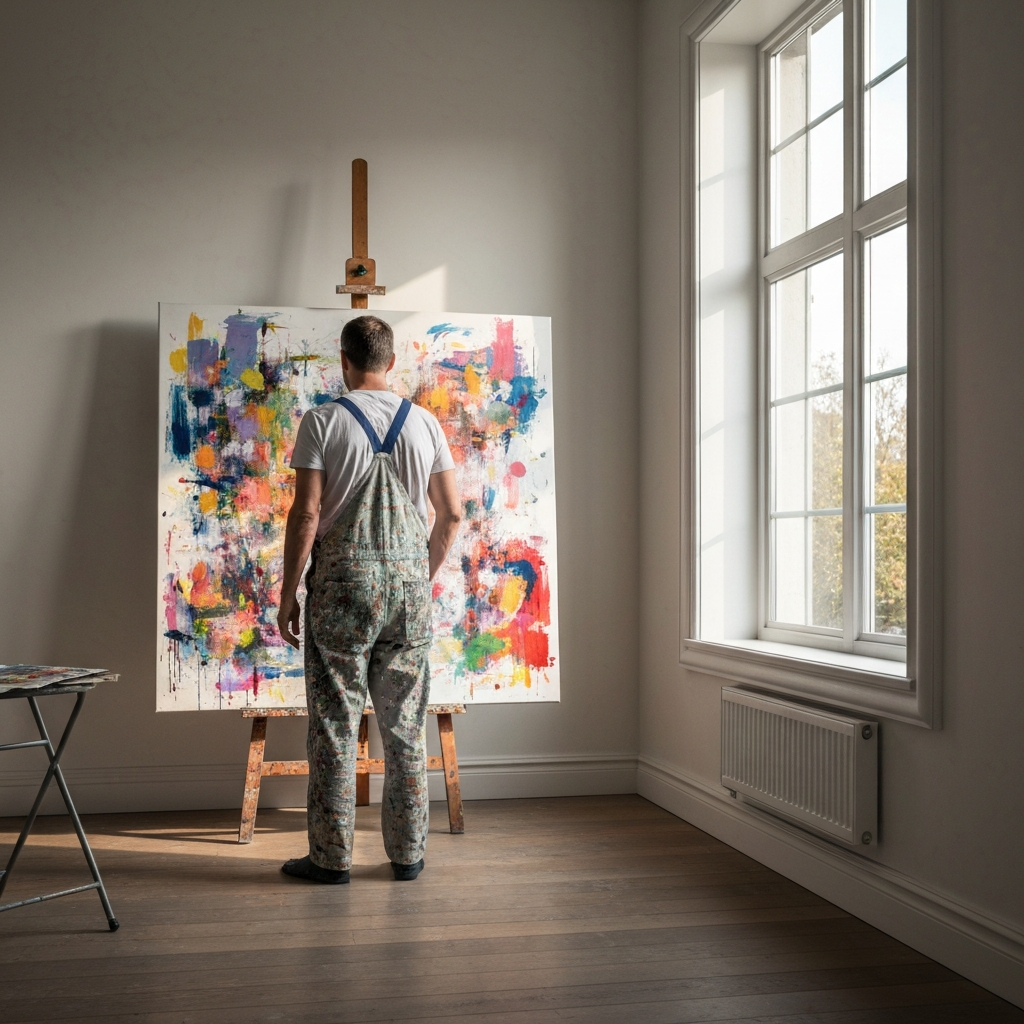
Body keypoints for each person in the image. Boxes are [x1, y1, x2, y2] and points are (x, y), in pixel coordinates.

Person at [276, 315, 461, 884]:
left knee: (335, 723)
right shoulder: (425, 423)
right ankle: (408, 856)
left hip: (342, 590)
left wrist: (288, 594)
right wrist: (416, 577)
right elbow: (451, 515)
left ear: (344, 358)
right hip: (408, 593)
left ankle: (331, 860)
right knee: (405, 726)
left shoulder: (323, 421)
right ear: (392, 361)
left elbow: (307, 515)